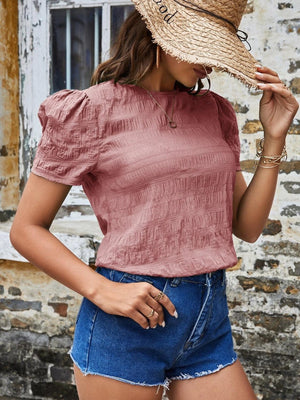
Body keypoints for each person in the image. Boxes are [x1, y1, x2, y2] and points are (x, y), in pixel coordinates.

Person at [10, 1, 298, 399]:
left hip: (208, 317)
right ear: (161, 35)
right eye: (204, 48)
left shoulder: (215, 111)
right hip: (127, 323)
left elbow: (246, 228)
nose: (210, 65)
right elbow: (26, 229)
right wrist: (100, 289)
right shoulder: (89, 110)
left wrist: (274, 137)